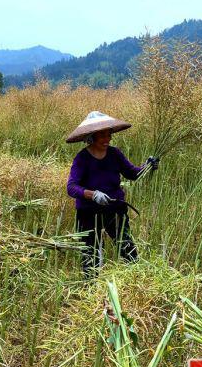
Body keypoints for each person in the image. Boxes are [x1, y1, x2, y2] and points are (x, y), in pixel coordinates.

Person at [66, 111, 159, 277]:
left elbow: (132, 173)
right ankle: (90, 287)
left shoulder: (115, 154)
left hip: (114, 210)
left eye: (109, 135)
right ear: (91, 137)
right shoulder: (82, 159)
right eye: (102, 136)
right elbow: (71, 187)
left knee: (127, 249)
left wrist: (147, 166)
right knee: (90, 255)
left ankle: (135, 282)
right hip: (88, 213)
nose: (107, 139)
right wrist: (93, 194)